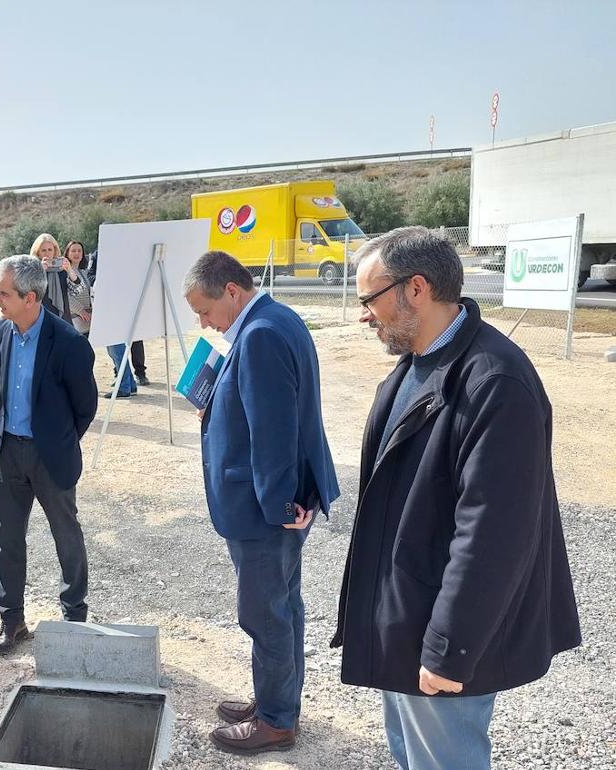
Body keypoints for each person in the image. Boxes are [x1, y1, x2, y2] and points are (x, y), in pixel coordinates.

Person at [336, 226, 581, 770]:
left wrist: (451, 646)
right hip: (408, 615)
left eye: (369, 299)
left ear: (415, 289)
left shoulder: (494, 381)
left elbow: (493, 536)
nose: (362, 315)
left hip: (439, 628)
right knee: (412, 755)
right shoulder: (419, 363)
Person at [183, 251, 339, 755]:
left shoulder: (261, 334)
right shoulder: (271, 320)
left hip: (264, 510)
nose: (204, 322)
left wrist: (279, 507)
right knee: (283, 605)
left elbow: (273, 432)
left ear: (232, 290)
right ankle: (277, 701)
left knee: (266, 613)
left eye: (205, 310)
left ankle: (275, 722)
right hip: (271, 504)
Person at [0, 255, 98, 655]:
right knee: (8, 537)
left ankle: (74, 617)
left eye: (3, 292)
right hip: (9, 453)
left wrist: (58, 440)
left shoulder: (68, 342)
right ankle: (11, 620)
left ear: (30, 297)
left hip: (50, 455)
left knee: (65, 534)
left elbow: (85, 406)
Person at [86, 249, 148, 396]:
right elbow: (91, 277)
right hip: (107, 305)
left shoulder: (125, 253)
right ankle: (130, 384)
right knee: (114, 349)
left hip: (120, 307)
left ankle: (124, 386)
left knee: (117, 348)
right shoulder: (97, 255)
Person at [29, 233, 72, 321]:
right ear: (38, 252)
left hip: (63, 318)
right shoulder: (31, 270)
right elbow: (28, 291)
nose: (47, 253)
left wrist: (70, 271)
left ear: (55, 250)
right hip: (40, 317)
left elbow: (77, 291)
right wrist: (40, 271)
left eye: (50, 250)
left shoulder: (62, 269)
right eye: (43, 250)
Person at [61, 240, 94, 336]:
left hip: (87, 319)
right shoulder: (64, 272)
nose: (77, 253)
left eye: (79, 251)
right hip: (75, 319)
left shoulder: (83, 272)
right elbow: (65, 295)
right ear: (67, 253)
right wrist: (80, 311)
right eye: (73, 251)